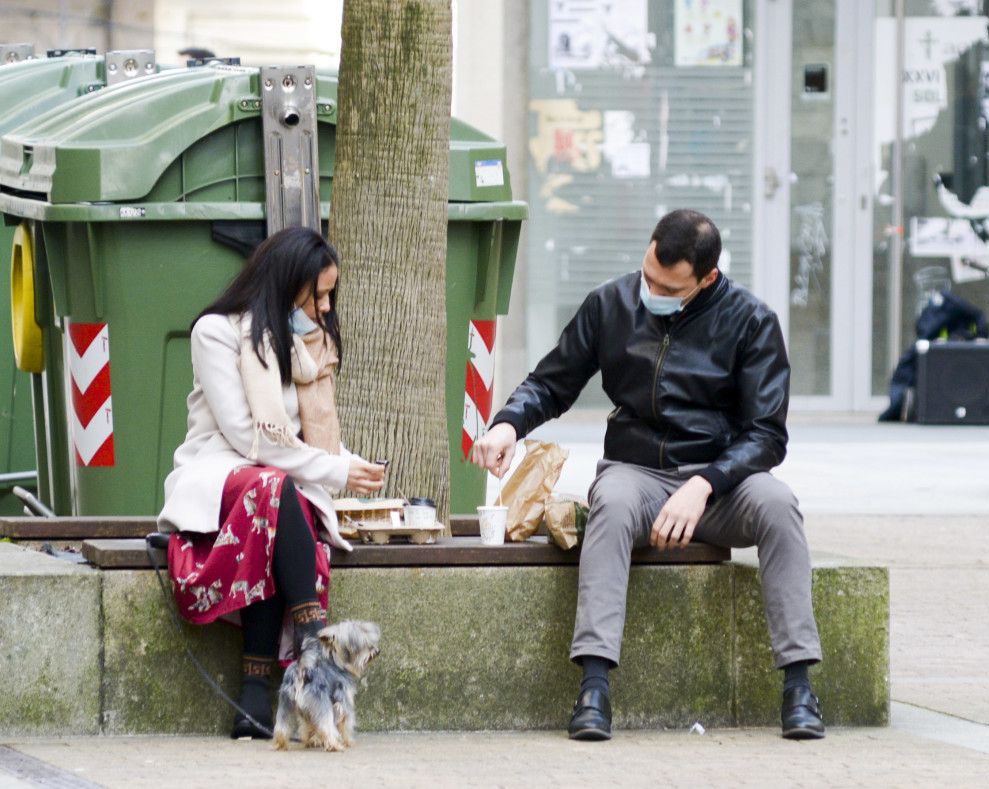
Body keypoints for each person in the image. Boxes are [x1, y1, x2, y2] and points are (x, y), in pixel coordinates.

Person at [470, 209, 824, 741]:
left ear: (707, 278)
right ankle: (593, 686)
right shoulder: (611, 303)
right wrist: (507, 425)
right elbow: (552, 381)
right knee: (609, 504)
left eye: (667, 285)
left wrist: (704, 485)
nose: (650, 290)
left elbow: (767, 436)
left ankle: (798, 686)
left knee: (778, 505)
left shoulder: (751, 321)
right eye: (647, 275)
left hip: (719, 482)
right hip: (635, 472)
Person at [157, 227, 387, 739]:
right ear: (287, 284)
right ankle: (311, 649)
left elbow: (310, 439)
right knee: (274, 490)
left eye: (330, 295)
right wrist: (334, 470)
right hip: (219, 478)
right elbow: (247, 437)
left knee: (283, 503)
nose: (325, 308)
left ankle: (255, 699)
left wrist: (354, 465)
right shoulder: (215, 333)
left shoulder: (306, 346)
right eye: (318, 294)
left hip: (273, 496)